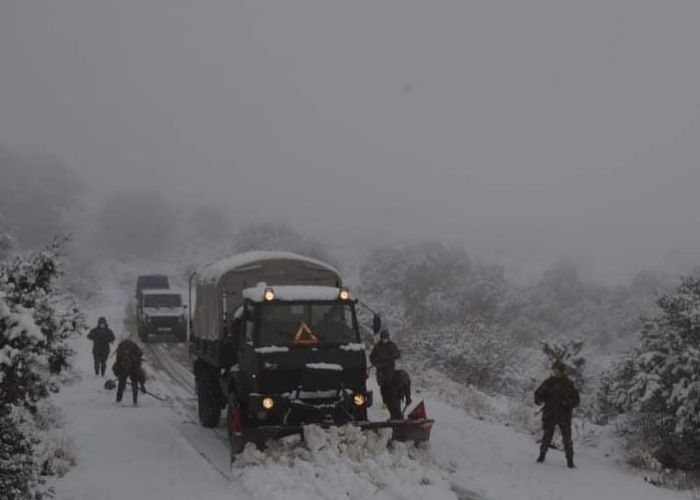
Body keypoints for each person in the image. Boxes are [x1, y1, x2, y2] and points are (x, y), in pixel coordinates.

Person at [534, 359, 580, 468]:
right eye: (554, 370)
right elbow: (538, 393)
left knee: (567, 439)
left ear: (562, 371)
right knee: (547, 436)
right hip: (550, 413)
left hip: (564, 415)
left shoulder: (569, 384)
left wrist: (566, 402)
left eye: (557, 370)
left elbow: (576, 400)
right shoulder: (549, 382)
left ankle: (570, 460)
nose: (555, 372)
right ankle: (542, 455)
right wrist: (539, 399)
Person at [369, 329, 402, 419]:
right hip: (380, 372)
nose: (385, 339)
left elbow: (398, 354)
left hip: (390, 371)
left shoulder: (391, 345)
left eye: (386, 337)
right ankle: (385, 404)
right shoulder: (377, 347)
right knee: (383, 389)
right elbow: (371, 357)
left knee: (391, 390)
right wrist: (376, 363)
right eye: (383, 337)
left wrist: (392, 355)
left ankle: (394, 409)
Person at [112, 338, 146, 406]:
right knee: (124, 383)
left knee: (132, 383)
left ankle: (124, 400)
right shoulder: (122, 351)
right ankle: (122, 400)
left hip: (133, 367)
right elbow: (117, 364)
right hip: (124, 368)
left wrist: (142, 385)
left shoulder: (130, 350)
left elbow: (141, 376)